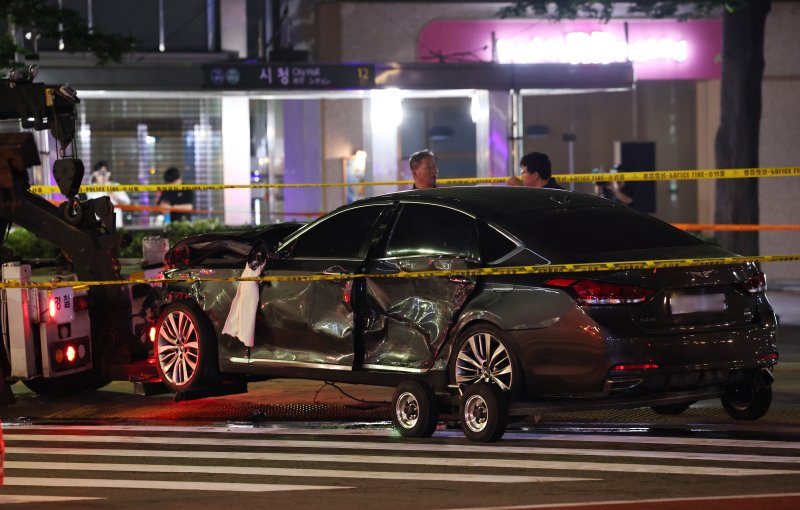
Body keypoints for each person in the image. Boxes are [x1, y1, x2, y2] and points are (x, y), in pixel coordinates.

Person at [86, 161, 131, 229]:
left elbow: (127, 203)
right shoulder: (90, 189)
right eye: (100, 173)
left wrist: (115, 197)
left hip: (116, 225)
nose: (103, 176)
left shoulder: (115, 186)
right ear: (95, 174)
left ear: (109, 174)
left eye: (105, 173)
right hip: (97, 227)